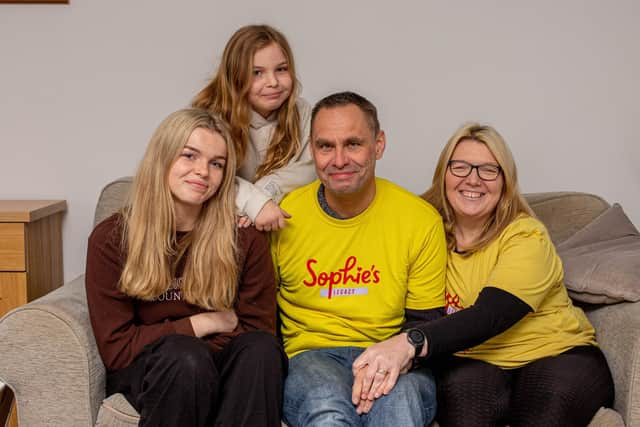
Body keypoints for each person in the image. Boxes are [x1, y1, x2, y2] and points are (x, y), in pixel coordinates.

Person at [356, 122, 615, 426]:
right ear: (443, 174)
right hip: (473, 361)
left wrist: (408, 343)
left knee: (542, 413)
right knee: (466, 413)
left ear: (505, 181)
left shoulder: (526, 236)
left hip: (556, 353)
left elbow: (491, 315)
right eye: (460, 167)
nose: (473, 180)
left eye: (488, 170)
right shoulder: (423, 232)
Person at [85, 108, 286, 427]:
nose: (203, 171)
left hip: (225, 365)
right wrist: (204, 322)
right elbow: (118, 349)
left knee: (262, 351)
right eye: (189, 156)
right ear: (162, 158)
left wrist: (203, 358)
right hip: (154, 369)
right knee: (185, 357)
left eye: (216, 163)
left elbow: (258, 328)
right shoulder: (112, 238)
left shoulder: (244, 237)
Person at [271, 91, 448, 427]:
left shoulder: (419, 220)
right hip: (310, 357)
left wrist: (392, 361)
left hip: (394, 355)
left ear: (378, 145)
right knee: (326, 407)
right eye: (326, 146)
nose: (338, 160)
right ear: (312, 149)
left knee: (398, 407)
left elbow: (425, 321)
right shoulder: (285, 215)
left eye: (353, 144)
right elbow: (262, 316)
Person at [192, 24, 315, 232]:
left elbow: (311, 168)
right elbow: (208, 176)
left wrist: (264, 191)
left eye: (281, 69)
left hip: (284, 221)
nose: (273, 82)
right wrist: (252, 202)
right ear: (235, 77)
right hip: (222, 223)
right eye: (257, 73)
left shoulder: (301, 112)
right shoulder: (211, 118)